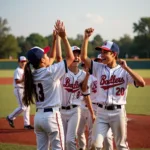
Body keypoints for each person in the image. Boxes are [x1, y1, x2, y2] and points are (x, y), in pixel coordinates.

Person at [81, 28, 145, 150]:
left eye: (105, 52)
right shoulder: (99, 68)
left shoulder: (124, 71)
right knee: (95, 145)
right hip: (101, 113)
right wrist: (86, 38)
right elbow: (84, 57)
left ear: (113, 54)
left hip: (118, 112)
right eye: (102, 52)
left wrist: (127, 69)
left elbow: (141, 83)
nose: (102, 55)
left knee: (121, 146)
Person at [22, 20, 74, 150]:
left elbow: (51, 59)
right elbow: (70, 58)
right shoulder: (50, 72)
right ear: (42, 60)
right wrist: (64, 38)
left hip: (39, 117)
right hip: (52, 116)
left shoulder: (32, 75)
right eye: (44, 54)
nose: (47, 55)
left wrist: (55, 40)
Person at [56, 35, 95, 150]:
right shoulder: (62, 72)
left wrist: (92, 112)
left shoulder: (83, 75)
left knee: (70, 140)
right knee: (61, 141)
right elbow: (58, 58)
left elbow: (86, 94)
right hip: (61, 111)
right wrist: (58, 38)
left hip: (75, 110)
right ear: (69, 56)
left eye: (78, 54)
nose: (76, 56)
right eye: (74, 54)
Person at [6, 56, 34, 129]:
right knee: (23, 107)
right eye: (22, 62)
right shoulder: (18, 70)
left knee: (27, 107)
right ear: (19, 62)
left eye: (24, 61)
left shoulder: (26, 70)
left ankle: (26, 124)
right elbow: (17, 81)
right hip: (19, 89)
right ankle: (10, 117)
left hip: (25, 90)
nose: (23, 63)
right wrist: (24, 79)